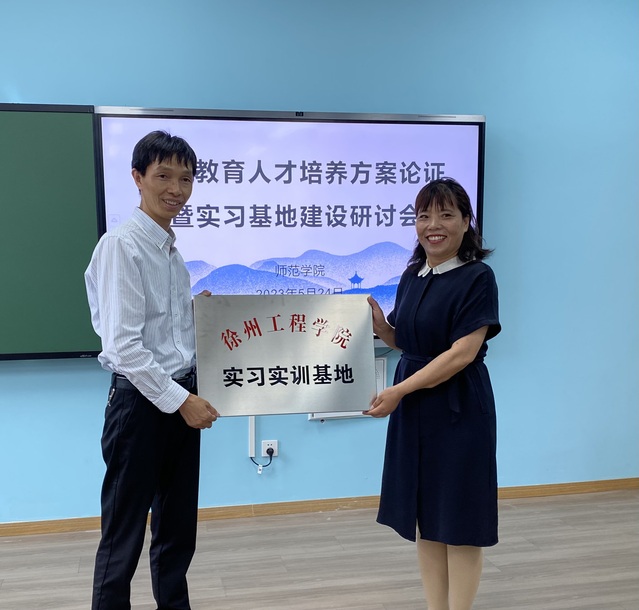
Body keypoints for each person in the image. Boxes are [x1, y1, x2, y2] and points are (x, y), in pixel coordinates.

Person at [85, 130, 220, 610]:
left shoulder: (170, 252)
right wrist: (183, 402)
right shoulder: (122, 245)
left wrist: (192, 314)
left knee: (176, 533)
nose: (176, 189)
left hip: (179, 398)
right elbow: (123, 346)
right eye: (163, 176)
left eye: (186, 179)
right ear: (137, 178)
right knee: (123, 539)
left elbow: (158, 329)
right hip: (141, 409)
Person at [365, 177, 501, 610]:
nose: (433, 225)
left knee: (459, 521)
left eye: (445, 215)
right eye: (424, 216)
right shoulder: (412, 275)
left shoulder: (478, 277)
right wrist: (382, 328)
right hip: (415, 406)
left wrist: (399, 390)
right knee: (425, 517)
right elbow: (408, 341)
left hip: (459, 409)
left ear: (466, 222)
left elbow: (462, 353)